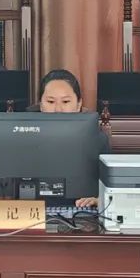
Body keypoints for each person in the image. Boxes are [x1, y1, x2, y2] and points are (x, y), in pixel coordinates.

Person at [36, 69, 105, 209]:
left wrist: (99, 200)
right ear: (41, 105)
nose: (58, 109)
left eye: (66, 101)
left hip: (81, 213)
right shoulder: (24, 137)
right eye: (50, 101)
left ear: (79, 104)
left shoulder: (97, 139)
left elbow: (109, 188)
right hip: (34, 213)